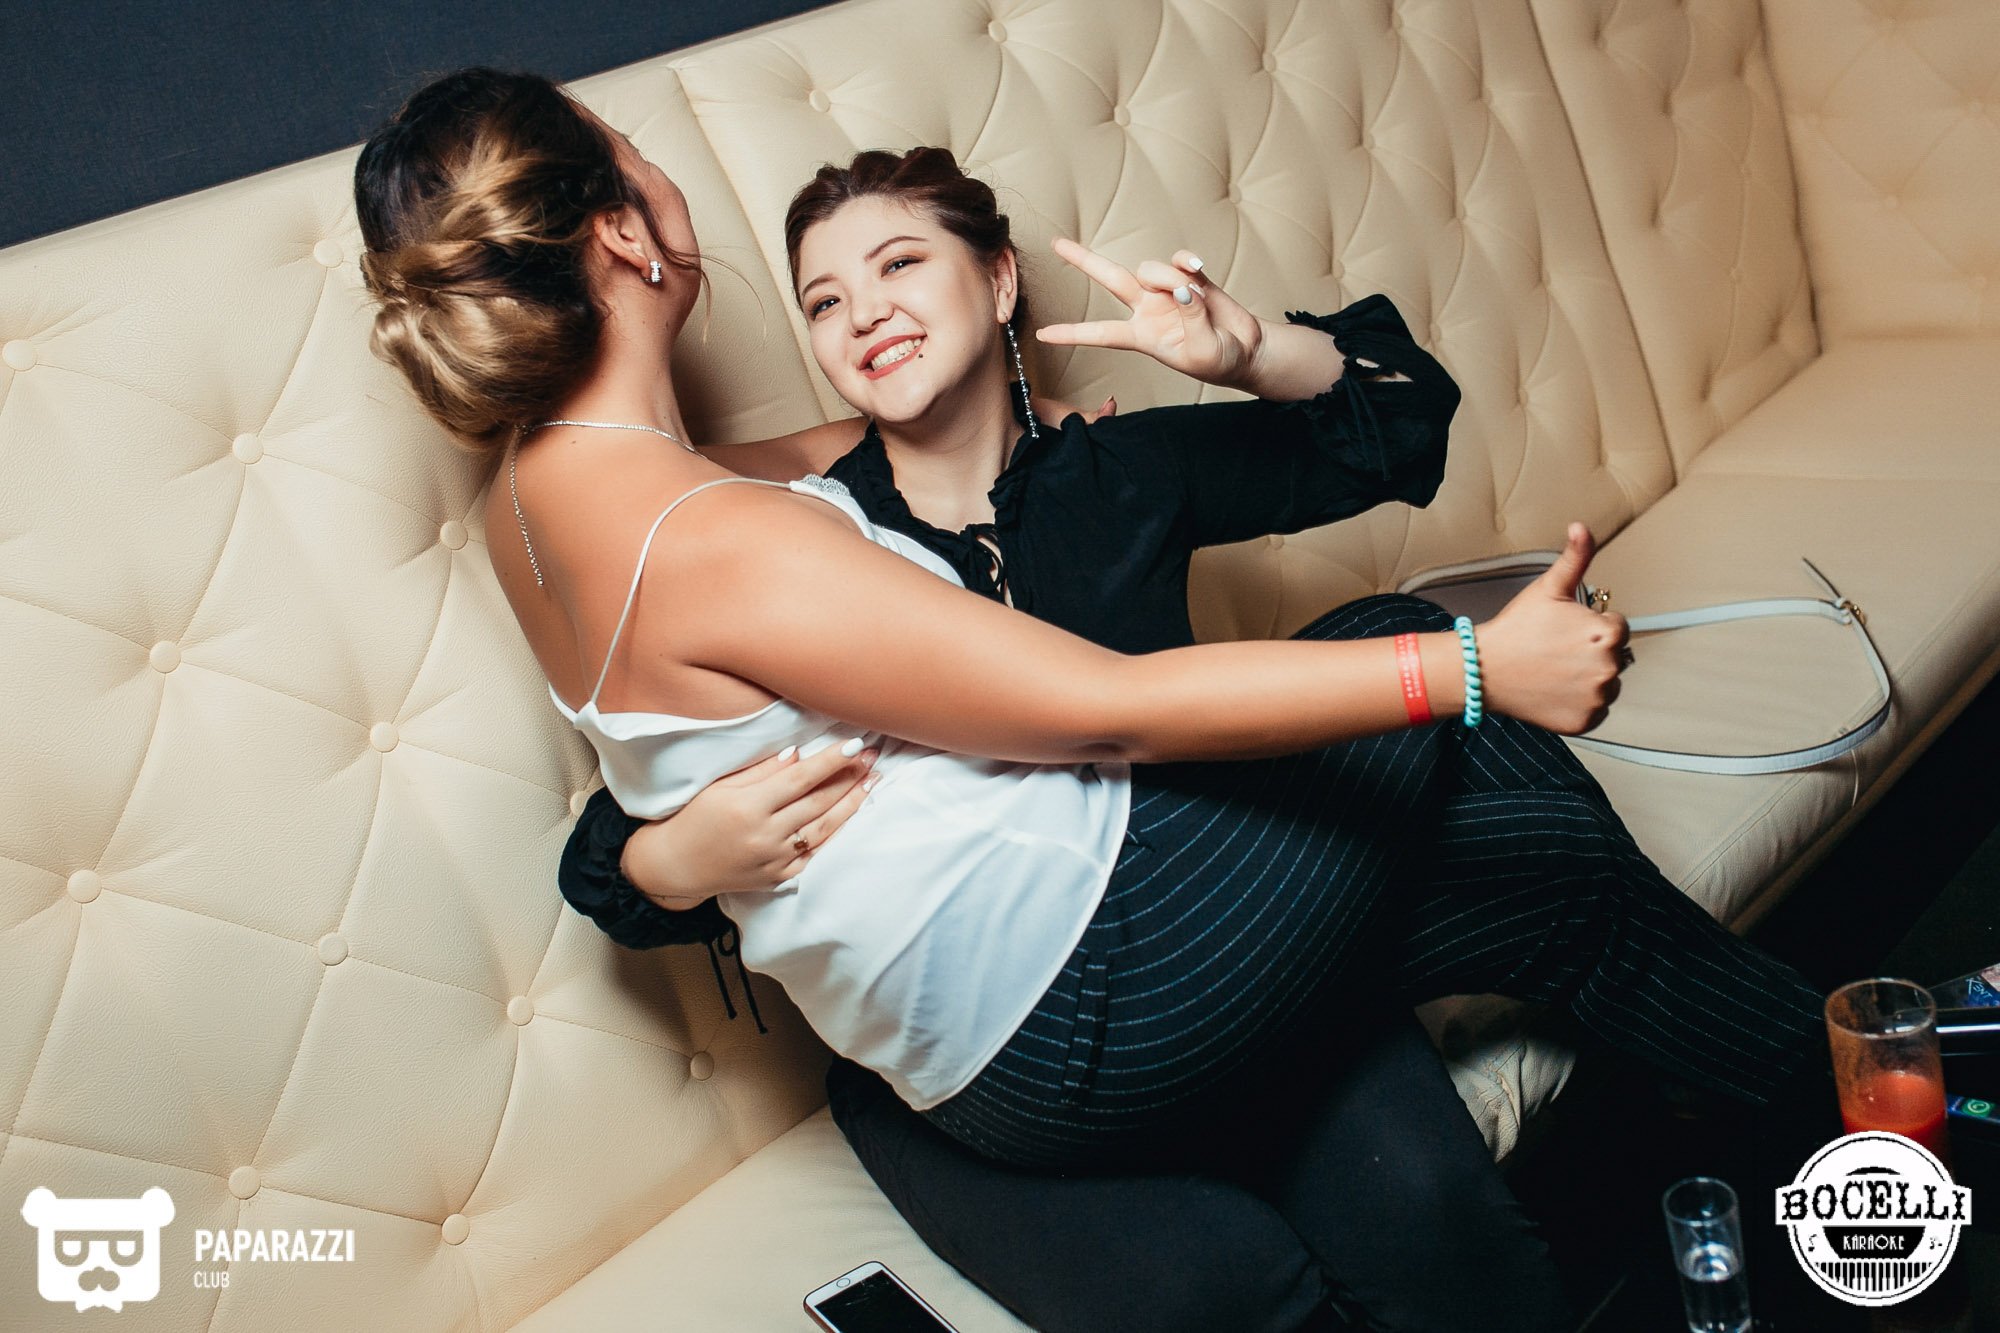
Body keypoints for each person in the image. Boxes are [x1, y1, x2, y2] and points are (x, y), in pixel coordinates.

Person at [355, 68, 1829, 1331]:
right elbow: (1097, 709)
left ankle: (1862, 1099)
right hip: (1095, 977)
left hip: (1156, 924)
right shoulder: (757, 516)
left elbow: (1401, 425)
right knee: (1430, 682)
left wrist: (1246, 353)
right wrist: (1475, 665)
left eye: (904, 266)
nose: (867, 315)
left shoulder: (551, 501)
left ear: (1000, 281)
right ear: (622, 230)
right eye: (825, 296)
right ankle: (1871, 1098)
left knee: (1533, 858)